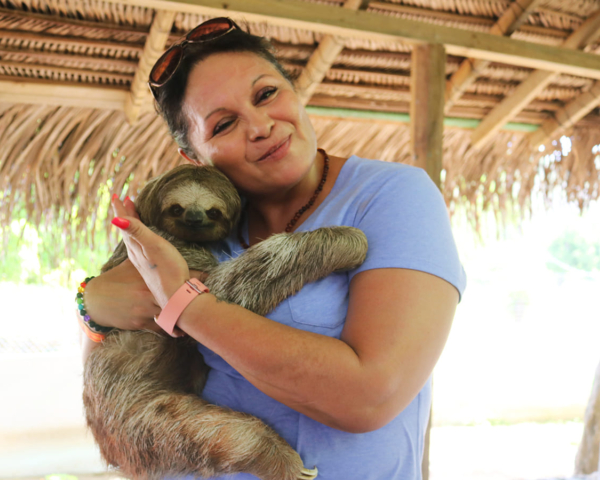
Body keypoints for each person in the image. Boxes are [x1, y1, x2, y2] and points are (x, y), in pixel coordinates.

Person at [81, 17, 466, 480]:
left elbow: (371, 396)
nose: (260, 125)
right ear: (194, 158)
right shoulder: (177, 224)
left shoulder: (392, 195)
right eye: (223, 124)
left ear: (295, 92)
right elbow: (111, 385)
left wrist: (180, 300)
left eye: (266, 94)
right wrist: (88, 302)